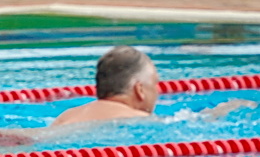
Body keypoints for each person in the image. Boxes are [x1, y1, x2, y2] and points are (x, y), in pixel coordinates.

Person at [50, 46, 252, 129]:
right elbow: (189, 124)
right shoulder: (138, 120)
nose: (158, 91)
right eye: (154, 84)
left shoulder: (67, 115)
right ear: (139, 89)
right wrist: (226, 109)